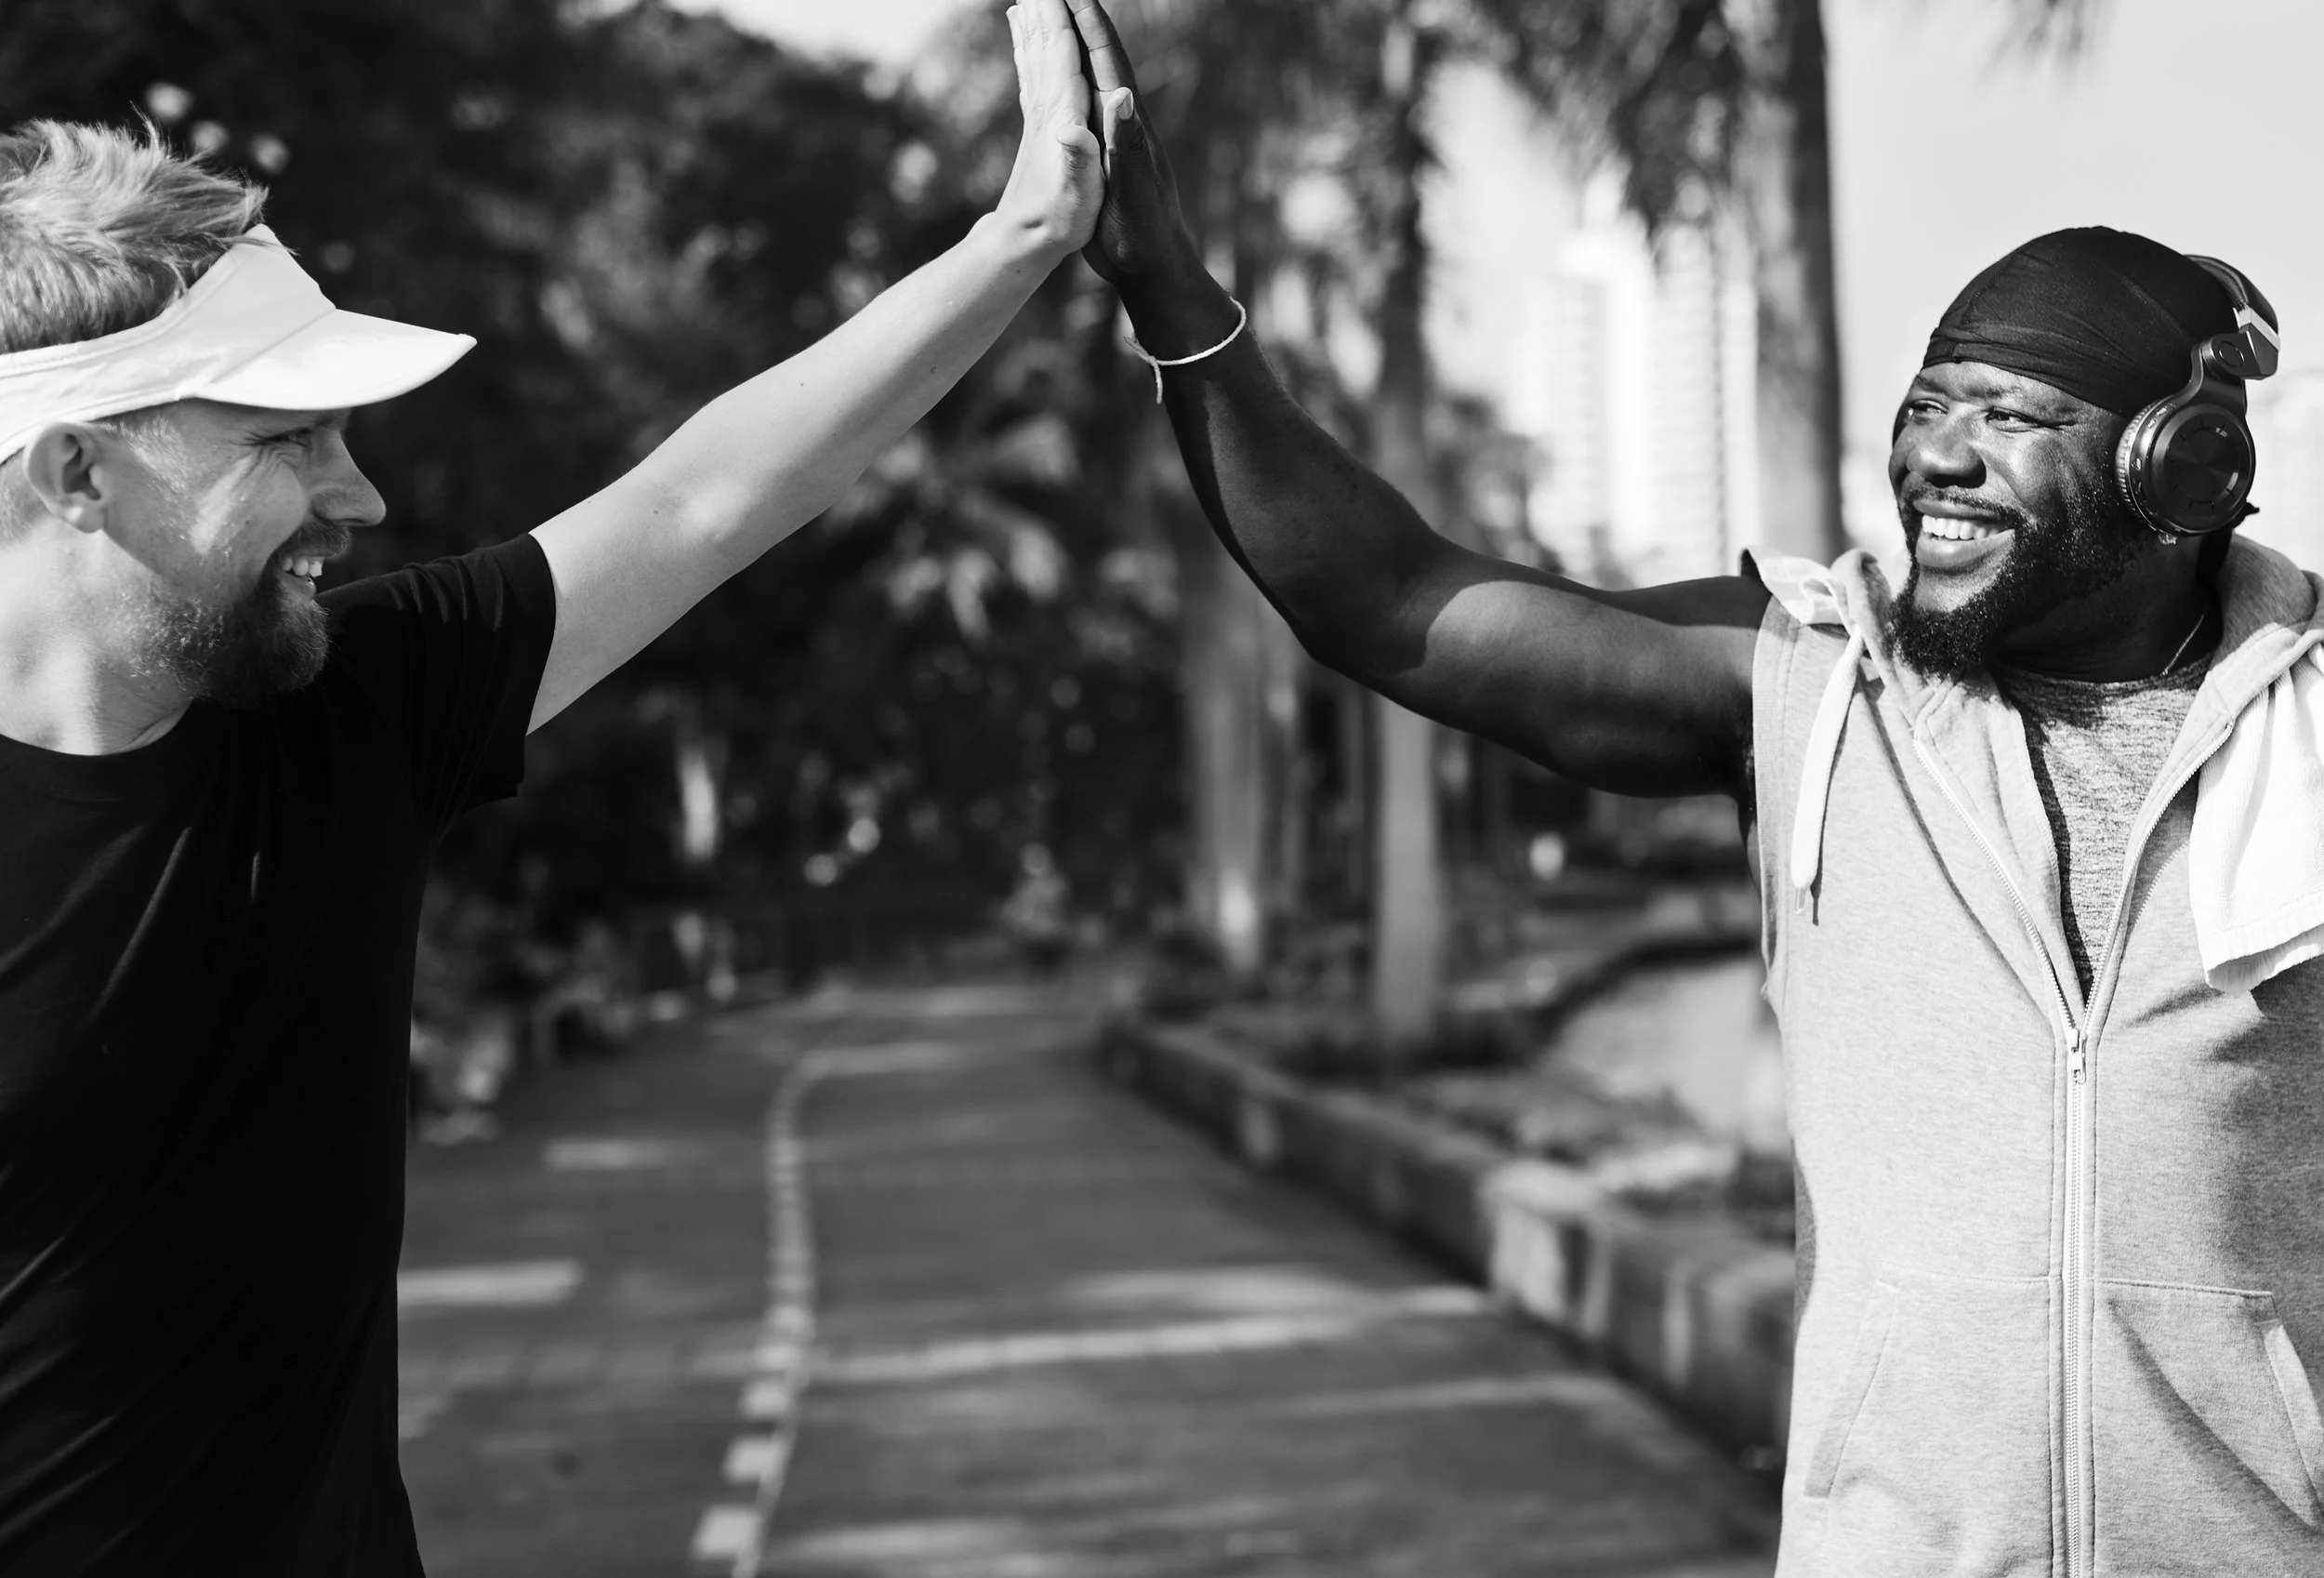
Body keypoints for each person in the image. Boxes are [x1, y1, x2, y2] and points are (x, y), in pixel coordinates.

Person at [1061, 2, 2324, 1572]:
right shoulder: (1806, 686)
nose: (1938, 458)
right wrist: (1173, 293)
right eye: (1927, 407)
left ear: (2181, 470)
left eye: (2009, 419)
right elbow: (1390, 600)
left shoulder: (2310, 738)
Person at [0, 4, 1101, 1571]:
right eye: (291, 439)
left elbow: (706, 496)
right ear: (77, 475)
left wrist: (1022, 235)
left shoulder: (355, 712)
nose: (359, 494)